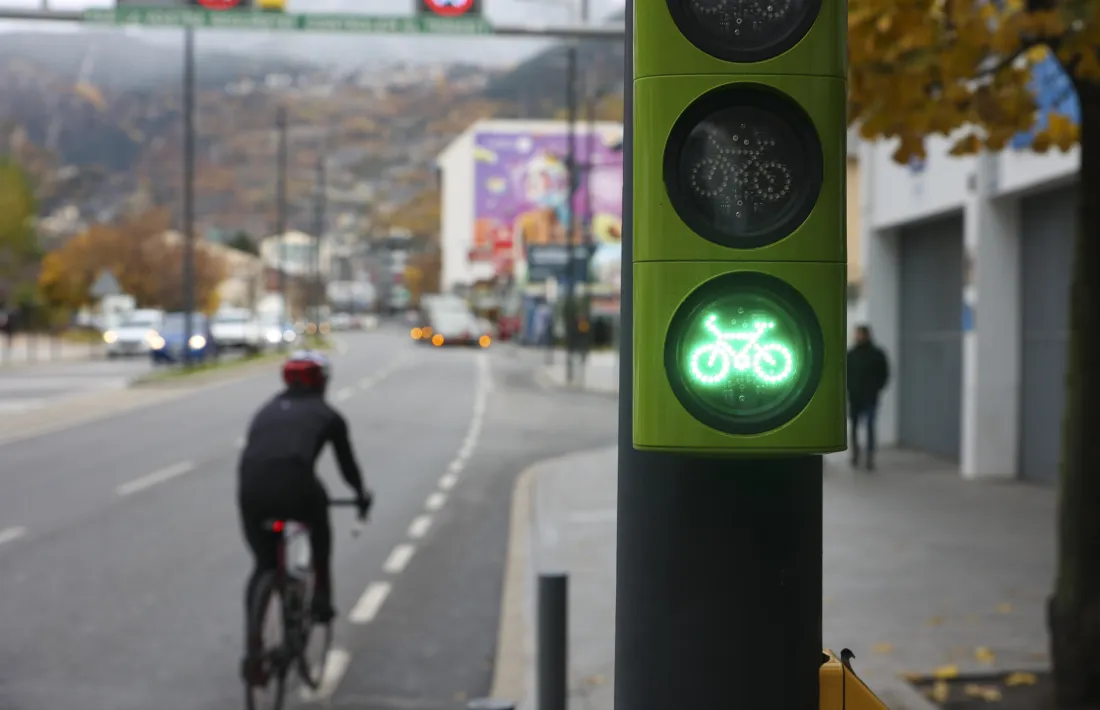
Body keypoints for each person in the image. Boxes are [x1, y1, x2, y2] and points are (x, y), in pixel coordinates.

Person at [237, 350, 372, 679]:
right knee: (319, 522)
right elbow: (346, 465)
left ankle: (254, 651)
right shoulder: (328, 415)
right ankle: (321, 598)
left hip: (250, 490)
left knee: (264, 566)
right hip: (297, 487)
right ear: (323, 382)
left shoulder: (265, 410)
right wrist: (360, 495)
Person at [846, 325, 889, 470]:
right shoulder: (851, 355)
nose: (859, 337)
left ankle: (870, 456)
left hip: (870, 396)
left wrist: (877, 388)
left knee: (870, 426)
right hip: (854, 396)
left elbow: (884, 374)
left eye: (861, 334)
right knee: (854, 426)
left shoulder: (877, 354)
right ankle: (855, 453)